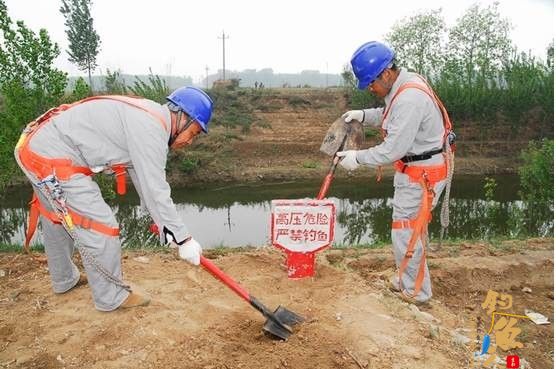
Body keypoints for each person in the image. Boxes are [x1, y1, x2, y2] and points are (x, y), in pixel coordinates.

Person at [14, 86, 213, 311]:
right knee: (102, 226)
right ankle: (111, 297)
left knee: (55, 218)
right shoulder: (152, 129)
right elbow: (156, 189)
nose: (190, 141)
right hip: (52, 157)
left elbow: (144, 181)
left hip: (38, 146)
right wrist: (184, 239)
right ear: (182, 117)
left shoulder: (149, 115)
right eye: (194, 133)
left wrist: (168, 228)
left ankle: (64, 280)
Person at [337, 41, 454, 305]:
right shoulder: (404, 84)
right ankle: (408, 280)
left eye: (371, 83)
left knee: (405, 231)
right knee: (412, 231)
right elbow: (391, 115)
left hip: (421, 174)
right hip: (419, 169)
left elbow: (391, 150)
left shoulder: (410, 98)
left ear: (386, 73)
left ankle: (416, 293)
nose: (370, 88)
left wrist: (357, 158)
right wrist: (364, 115)